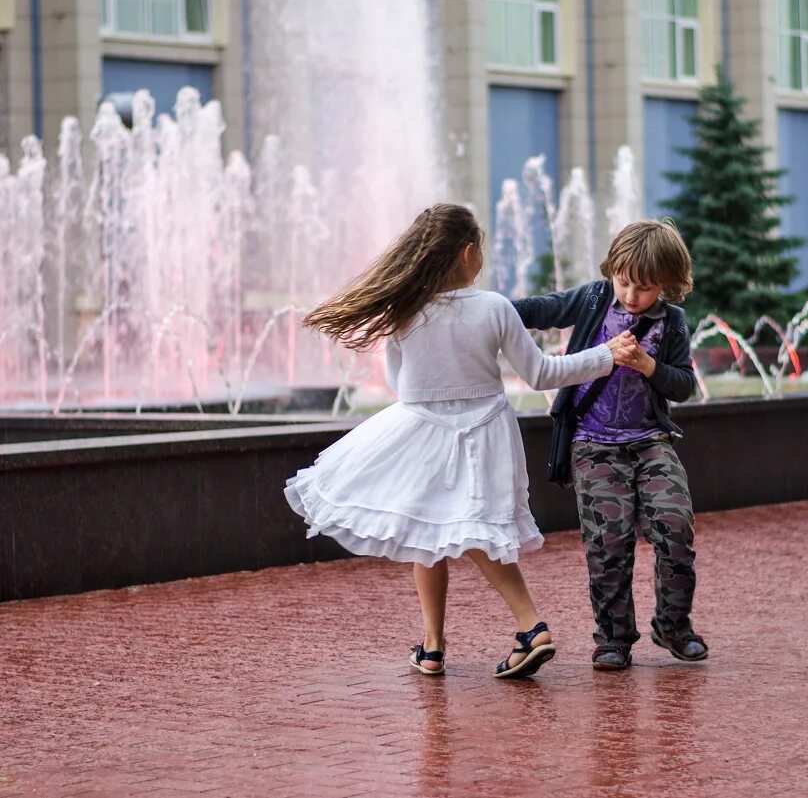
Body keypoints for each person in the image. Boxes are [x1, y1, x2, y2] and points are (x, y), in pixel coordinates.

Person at [285, 204, 635, 679]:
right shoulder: (493, 307)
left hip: (421, 433)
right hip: (485, 434)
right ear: (469, 253)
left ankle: (458, 642)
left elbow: (399, 382)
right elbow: (540, 374)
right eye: (482, 250)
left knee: (434, 531)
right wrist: (605, 356)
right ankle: (483, 636)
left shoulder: (405, 310)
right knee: (447, 535)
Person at [513, 219, 706, 671]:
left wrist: (647, 365)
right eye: (623, 281)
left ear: (667, 283)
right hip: (593, 442)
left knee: (675, 526)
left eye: (644, 287)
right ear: (611, 272)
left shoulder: (671, 323)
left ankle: (673, 625)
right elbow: (541, 310)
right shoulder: (594, 299)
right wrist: (483, 308)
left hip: (650, 441)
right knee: (608, 540)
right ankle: (613, 638)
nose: (631, 295)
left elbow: (684, 386)